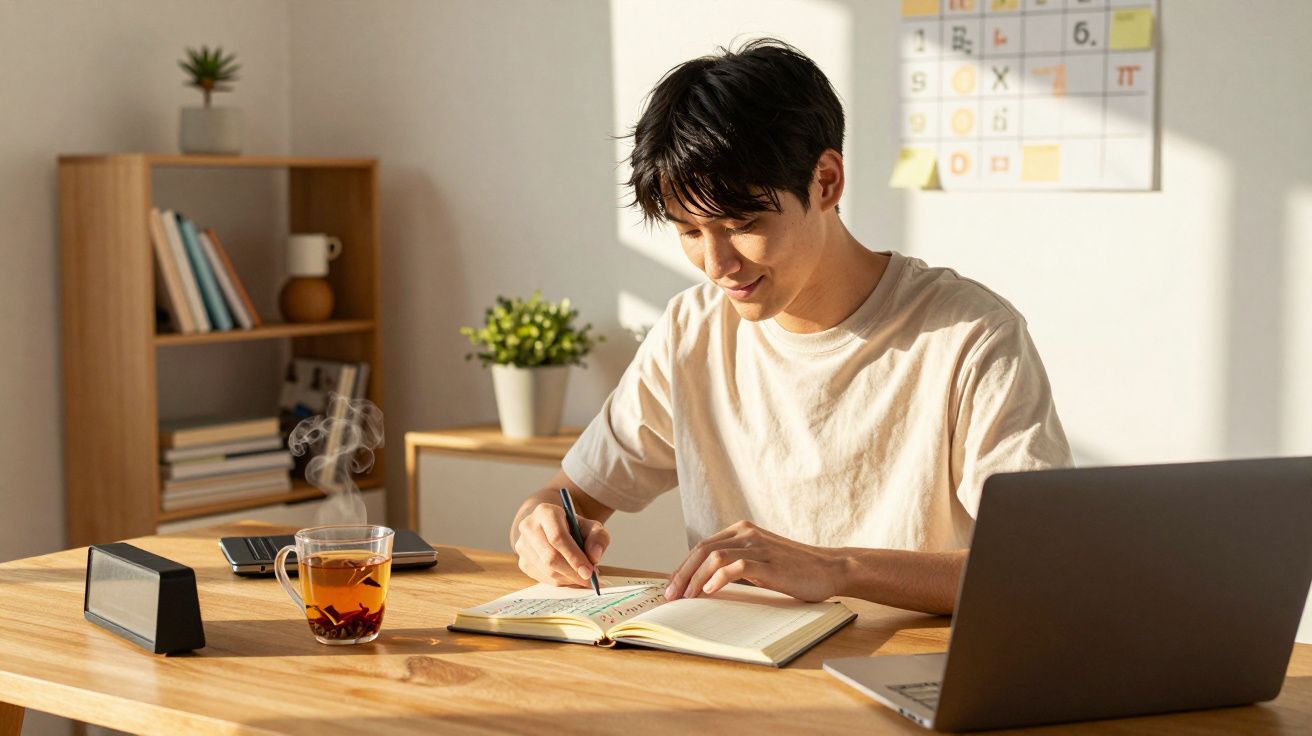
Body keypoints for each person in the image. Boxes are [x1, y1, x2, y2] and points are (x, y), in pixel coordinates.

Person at [509, 38, 1072, 615]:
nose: (717, 265)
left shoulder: (970, 335)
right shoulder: (690, 331)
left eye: (741, 224)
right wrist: (542, 527)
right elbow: (564, 497)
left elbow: (1042, 565)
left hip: (900, 660)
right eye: (690, 232)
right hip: (734, 658)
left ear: (825, 181)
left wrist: (837, 569)